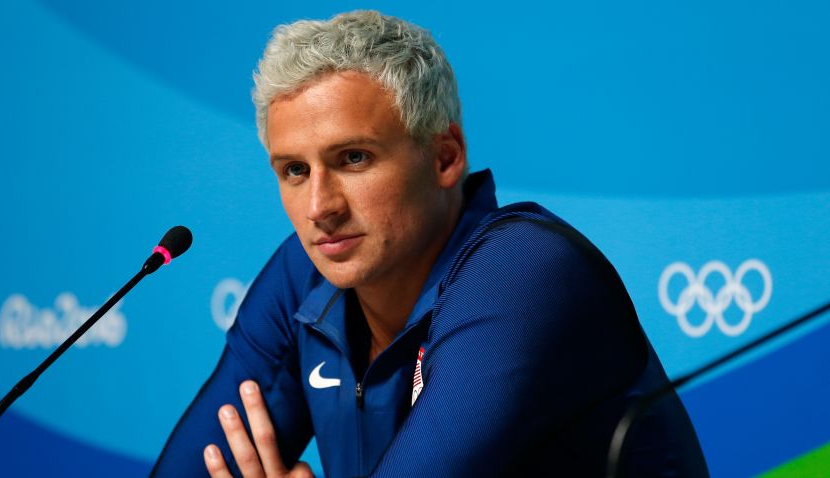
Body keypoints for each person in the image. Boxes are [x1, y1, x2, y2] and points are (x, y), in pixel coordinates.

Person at [151, 10, 708, 477]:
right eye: (295, 170)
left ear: (445, 157)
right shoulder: (306, 272)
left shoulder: (522, 271)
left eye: (354, 159)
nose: (320, 207)